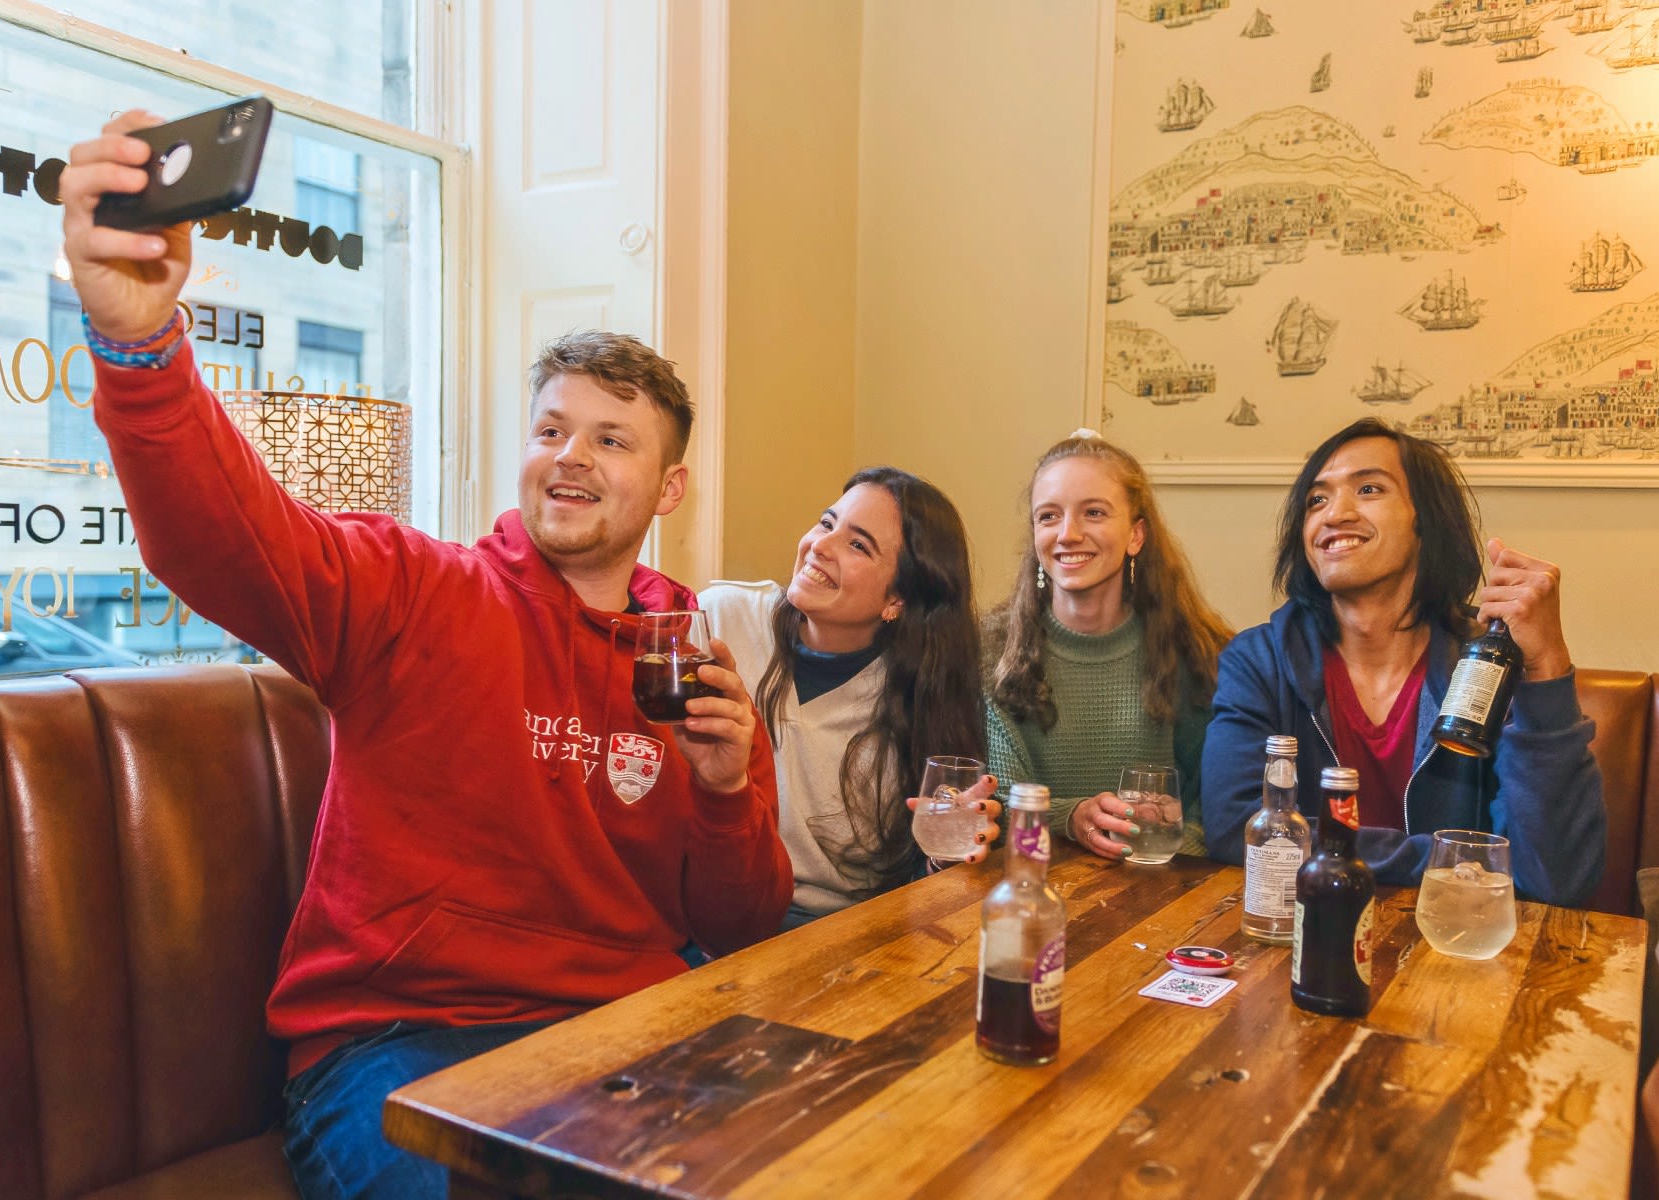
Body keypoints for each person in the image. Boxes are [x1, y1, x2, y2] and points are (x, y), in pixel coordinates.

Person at [59, 111, 792, 1200]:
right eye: (551, 431)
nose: (570, 459)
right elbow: (221, 539)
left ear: (670, 488)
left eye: (611, 438)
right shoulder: (414, 590)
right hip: (398, 1045)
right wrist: (137, 344)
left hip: (624, 1033)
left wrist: (728, 796)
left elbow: (737, 925)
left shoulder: (690, 659)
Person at [1201, 418, 1605, 905]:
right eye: (1317, 499)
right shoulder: (1259, 661)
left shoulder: (1487, 666)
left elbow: (1556, 876)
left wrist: (1547, 667)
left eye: (1368, 488)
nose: (1333, 515)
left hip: (1456, 947)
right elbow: (1237, 828)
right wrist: (1453, 863)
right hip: (1305, 935)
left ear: (1425, 520)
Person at [701, 468, 998, 928]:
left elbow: (918, 885)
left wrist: (946, 850)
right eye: (826, 522)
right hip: (710, 917)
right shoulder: (721, 620)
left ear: (897, 600)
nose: (820, 545)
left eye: (858, 544)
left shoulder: (922, 701)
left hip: (841, 935)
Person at [984, 431, 1233, 859]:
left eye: (1094, 513)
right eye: (1048, 516)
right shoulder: (991, 651)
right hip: (1032, 887)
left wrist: (1164, 849)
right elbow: (999, 804)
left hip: (1157, 893)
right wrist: (1072, 816)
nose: (1068, 534)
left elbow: (1214, 800)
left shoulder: (1191, 650)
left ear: (1136, 536)